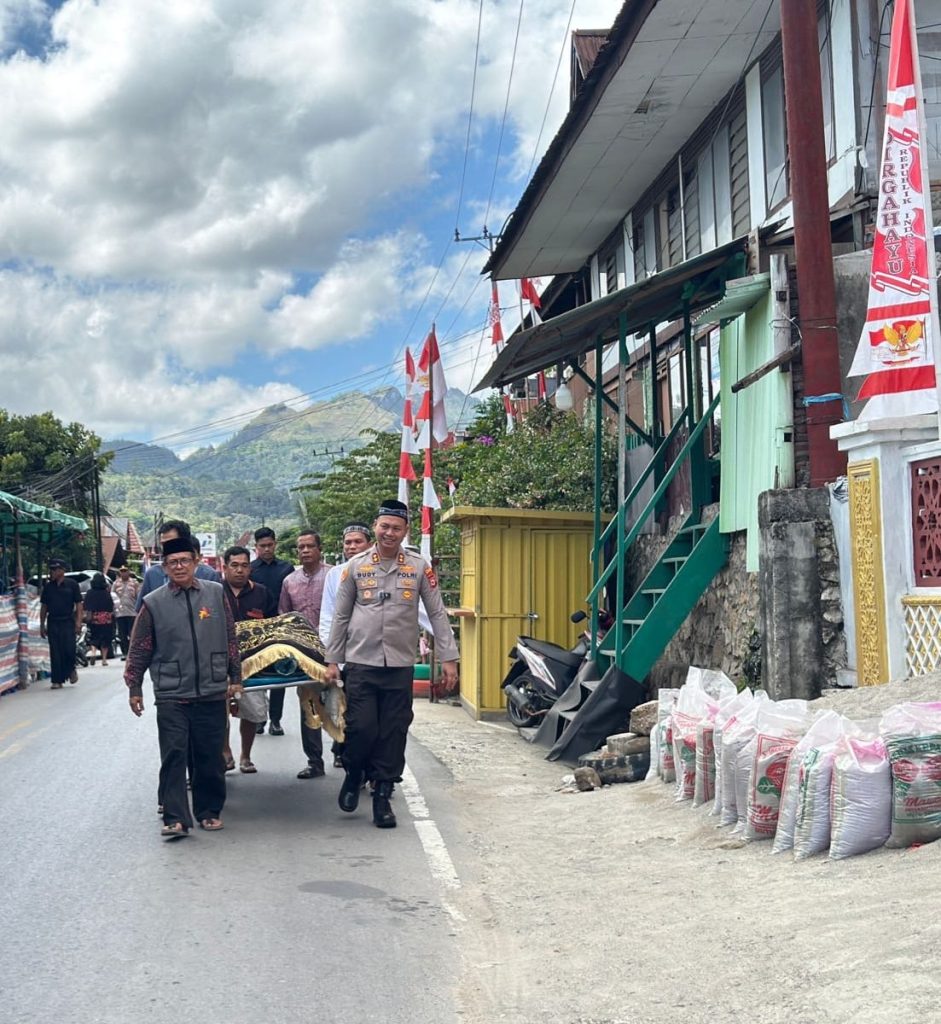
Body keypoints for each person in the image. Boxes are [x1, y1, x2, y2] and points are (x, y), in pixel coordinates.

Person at [325, 500, 459, 828]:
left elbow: (437, 612)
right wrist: (332, 660)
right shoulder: (355, 567)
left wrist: (450, 658)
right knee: (362, 728)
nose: (389, 533)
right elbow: (341, 615)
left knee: (394, 731)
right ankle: (354, 771)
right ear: (375, 527)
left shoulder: (418, 567)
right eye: (384, 526)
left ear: (405, 531)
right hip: (360, 662)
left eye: (396, 528)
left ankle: (383, 795)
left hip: (399, 664)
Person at [125, 536, 242, 840]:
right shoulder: (153, 602)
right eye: (172, 562)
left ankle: (209, 811)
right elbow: (139, 648)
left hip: (212, 688)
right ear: (164, 567)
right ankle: (176, 817)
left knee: (209, 755)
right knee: (175, 753)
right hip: (171, 691)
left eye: (184, 561)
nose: (179, 566)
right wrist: (134, 686)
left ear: (195, 562)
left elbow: (231, 638)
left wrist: (236, 678)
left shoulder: (216, 593)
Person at [319, 522, 373, 768]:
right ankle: (354, 766)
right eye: (348, 543)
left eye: (357, 542)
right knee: (352, 715)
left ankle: (376, 771)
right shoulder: (335, 574)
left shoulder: (385, 569)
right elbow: (329, 618)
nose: (352, 547)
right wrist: (333, 659)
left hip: (381, 658)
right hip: (349, 658)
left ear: (370, 544)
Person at [278, 529, 331, 779]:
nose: (306, 551)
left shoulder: (335, 576)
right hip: (304, 655)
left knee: (343, 703)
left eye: (310, 546)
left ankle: (345, 752)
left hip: (336, 651)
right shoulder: (289, 581)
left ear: (319, 549)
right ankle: (314, 761)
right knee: (309, 705)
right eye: (301, 547)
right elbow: (284, 618)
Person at [220, 544, 274, 774]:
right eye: (234, 566)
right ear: (225, 568)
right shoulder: (213, 592)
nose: (240, 570)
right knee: (218, 711)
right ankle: (226, 753)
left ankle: (246, 756)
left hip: (253, 662)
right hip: (219, 662)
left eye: (244, 566)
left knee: (251, 711)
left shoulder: (262, 593)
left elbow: (274, 627)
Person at [249, 527, 295, 735]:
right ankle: (259, 718)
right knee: (258, 674)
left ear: (275, 544)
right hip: (256, 629)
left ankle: (276, 720)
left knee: (279, 675)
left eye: (270, 545)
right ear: (256, 547)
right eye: (262, 546)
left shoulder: (287, 568)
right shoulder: (250, 569)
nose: (266, 549)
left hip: (280, 628)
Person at [136, 520, 221, 611]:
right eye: (162, 544)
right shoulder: (153, 574)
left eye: (171, 543)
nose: (166, 548)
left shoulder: (208, 576)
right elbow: (142, 613)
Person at [39, 558, 83, 689]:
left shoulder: (72, 585)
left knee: (69, 649)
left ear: (62, 570)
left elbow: (79, 604)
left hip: (68, 621)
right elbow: (44, 607)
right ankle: (57, 680)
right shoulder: (48, 587)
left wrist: (78, 622)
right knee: (55, 651)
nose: (52, 572)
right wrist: (42, 625)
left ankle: (71, 669)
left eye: (55, 569)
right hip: (53, 621)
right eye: (51, 569)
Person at [83, 572, 115, 666]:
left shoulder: (90, 593)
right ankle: (104, 660)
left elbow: (86, 606)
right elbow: (110, 605)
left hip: (94, 618)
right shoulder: (106, 593)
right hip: (106, 618)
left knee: (94, 636)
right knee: (105, 639)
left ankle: (93, 652)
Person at [111, 565, 140, 660]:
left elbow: (139, 596)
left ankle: (133, 652)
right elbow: (112, 596)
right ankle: (125, 653)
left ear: (128, 572)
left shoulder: (134, 583)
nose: (123, 573)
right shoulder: (116, 584)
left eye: (125, 571)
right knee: (122, 635)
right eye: (122, 571)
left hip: (132, 612)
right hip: (120, 613)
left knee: (132, 634)